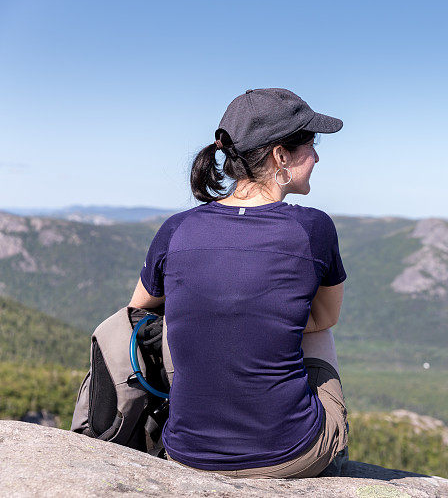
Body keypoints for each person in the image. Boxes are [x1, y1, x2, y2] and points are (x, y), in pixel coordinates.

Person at [127, 88, 349, 478]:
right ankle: (331, 457)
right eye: (311, 144)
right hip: (289, 453)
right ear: (281, 156)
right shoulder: (312, 228)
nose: (317, 156)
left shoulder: (177, 228)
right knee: (315, 330)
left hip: (185, 451)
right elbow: (326, 317)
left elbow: (138, 310)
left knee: (176, 307)